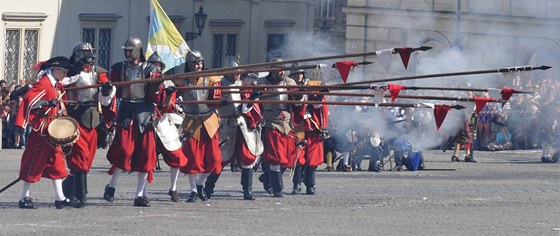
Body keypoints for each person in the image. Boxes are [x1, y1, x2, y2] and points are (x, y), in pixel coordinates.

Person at [103, 36, 163, 207]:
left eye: (131, 50)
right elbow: (111, 86)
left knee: (146, 154)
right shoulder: (119, 68)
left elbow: (156, 95)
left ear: (138, 50)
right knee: (123, 149)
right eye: (126, 50)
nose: (128, 53)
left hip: (144, 112)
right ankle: (112, 186)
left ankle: (139, 195)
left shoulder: (150, 68)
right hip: (127, 111)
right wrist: (107, 88)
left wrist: (159, 87)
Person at [15, 56, 76, 209]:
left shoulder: (54, 83)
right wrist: (48, 103)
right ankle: (24, 197)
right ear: (56, 70)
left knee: (57, 163)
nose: (65, 75)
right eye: (64, 72)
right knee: (33, 162)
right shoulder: (44, 83)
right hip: (41, 129)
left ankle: (60, 198)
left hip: (51, 129)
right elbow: (29, 99)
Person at [57, 42, 113, 208]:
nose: (87, 58)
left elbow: (105, 91)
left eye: (89, 54)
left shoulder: (98, 72)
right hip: (76, 116)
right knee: (79, 158)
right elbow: (61, 84)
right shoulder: (70, 72)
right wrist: (75, 71)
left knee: (87, 160)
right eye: (83, 54)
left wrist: (107, 89)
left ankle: (67, 190)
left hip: (93, 119)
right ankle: (81, 196)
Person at [204, 56, 264, 200]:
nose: (237, 74)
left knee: (248, 157)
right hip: (227, 124)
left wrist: (251, 98)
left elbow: (244, 107)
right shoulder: (220, 85)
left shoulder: (243, 85)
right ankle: (208, 187)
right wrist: (220, 102)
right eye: (234, 71)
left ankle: (247, 189)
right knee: (220, 159)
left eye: (238, 71)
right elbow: (211, 102)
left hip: (242, 125)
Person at [176, 49, 223, 202]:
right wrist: (171, 92)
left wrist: (220, 101)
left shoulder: (210, 79)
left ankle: (201, 184)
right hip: (191, 122)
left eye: (201, 62)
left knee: (215, 160)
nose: (199, 66)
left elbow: (215, 99)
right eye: (196, 63)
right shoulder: (182, 80)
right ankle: (193, 190)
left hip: (209, 121)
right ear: (190, 64)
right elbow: (169, 97)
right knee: (193, 160)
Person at [147, 52, 188, 202]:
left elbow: (168, 107)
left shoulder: (168, 84)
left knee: (176, 155)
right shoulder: (143, 81)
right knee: (143, 157)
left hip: (162, 121)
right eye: (153, 65)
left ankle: (174, 187)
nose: (156, 68)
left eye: (158, 66)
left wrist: (170, 95)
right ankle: (140, 192)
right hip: (146, 121)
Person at [254, 58, 297, 197]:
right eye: (279, 69)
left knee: (288, 158)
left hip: (287, 123)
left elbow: (298, 100)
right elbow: (254, 99)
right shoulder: (261, 83)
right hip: (271, 121)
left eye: (283, 69)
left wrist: (299, 94)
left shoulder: (289, 82)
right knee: (275, 157)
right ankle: (278, 188)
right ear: (272, 70)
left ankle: (267, 178)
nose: (282, 72)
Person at [289, 65, 328, 195]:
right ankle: (297, 184)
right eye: (296, 74)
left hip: (312, 125)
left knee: (312, 158)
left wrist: (321, 92)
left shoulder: (312, 85)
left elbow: (318, 105)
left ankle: (310, 185)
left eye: (300, 73)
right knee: (298, 157)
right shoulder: (289, 87)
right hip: (297, 125)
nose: (298, 75)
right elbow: (295, 104)